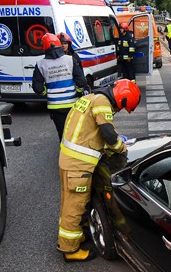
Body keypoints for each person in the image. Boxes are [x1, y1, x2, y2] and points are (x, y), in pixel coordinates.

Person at [56, 79, 141, 262]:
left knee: (68, 202)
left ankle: (73, 237)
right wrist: (121, 147)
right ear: (122, 99)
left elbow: (88, 132)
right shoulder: (103, 103)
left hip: (68, 159)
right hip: (79, 164)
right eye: (120, 108)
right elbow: (108, 134)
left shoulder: (89, 98)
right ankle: (70, 250)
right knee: (75, 205)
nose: (116, 111)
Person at [32, 33, 88, 141]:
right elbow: (81, 81)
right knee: (75, 132)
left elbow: (37, 87)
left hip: (55, 106)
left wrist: (47, 93)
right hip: (72, 103)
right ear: (58, 44)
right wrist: (77, 90)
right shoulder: (70, 59)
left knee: (62, 133)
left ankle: (64, 150)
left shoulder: (40, 64)